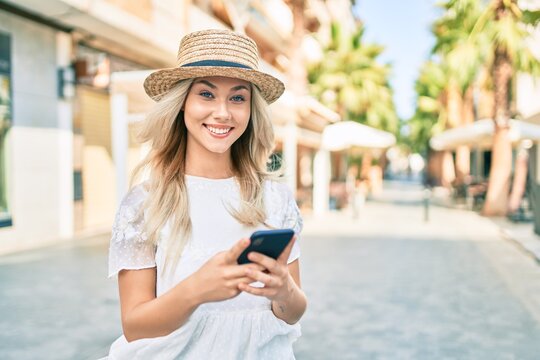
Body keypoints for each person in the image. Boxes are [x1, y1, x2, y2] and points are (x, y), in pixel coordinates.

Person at [102, 29, 307, 359]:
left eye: (238, 98)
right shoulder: (144, 204)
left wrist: (283, 290)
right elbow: (135, 324)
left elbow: (294, 312)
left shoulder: (276, 199)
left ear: (252, 110)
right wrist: (197, 289)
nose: (223, 112)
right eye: (207, 95)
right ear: (182, 103)